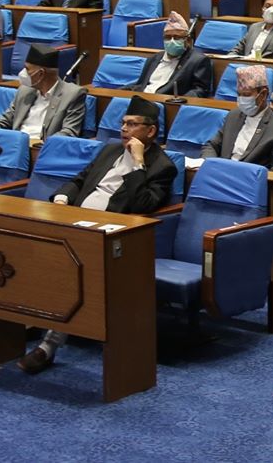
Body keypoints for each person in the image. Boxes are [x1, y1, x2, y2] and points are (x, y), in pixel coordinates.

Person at [20, 95, 177, 374]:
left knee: (74, 270)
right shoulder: (110, 151)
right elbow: (80, 180)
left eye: (132, 124)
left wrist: (138, 164)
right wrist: (62, 199)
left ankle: (49, 345)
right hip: (74, 220)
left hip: (112, 235)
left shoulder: (161, 167)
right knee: (31, 249)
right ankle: (32, 315)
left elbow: (143, 206)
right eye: (123, 123)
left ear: (150, 131)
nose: (124, 129)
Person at [200, 64, 273, 170]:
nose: (241, 99)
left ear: (263, 94)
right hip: (220, 173)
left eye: (246, 95)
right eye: (239, 94)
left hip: (248, 180)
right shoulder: (233, 115)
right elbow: (211, 145)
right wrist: (211, 166)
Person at [0, 43, 88, 141]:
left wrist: (37, 146)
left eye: (27, 69)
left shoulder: (72, 94)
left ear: (41, 74)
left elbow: (68, 133)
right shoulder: (24, 90)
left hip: (43, 150)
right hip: (15, 146)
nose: (22, 73)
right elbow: (3, 122)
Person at [139, 12, 213, 98]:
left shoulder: (198, 61)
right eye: (168, 37)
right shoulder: (154, 58)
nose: (172, 41)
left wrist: (181, 101)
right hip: (141, 98)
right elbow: (140, 84)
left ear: (188, 40)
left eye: (177, 37)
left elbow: (200, 90)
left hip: (164, 103)